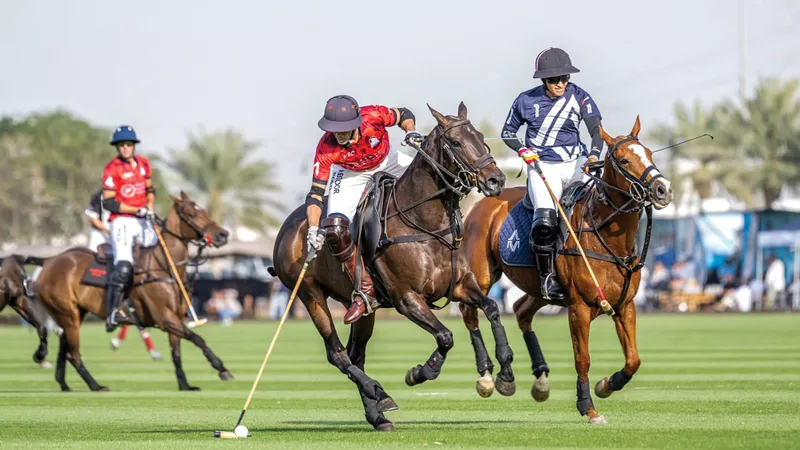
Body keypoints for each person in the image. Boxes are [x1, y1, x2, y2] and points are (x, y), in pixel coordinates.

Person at [304, 95, 421, 325]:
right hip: (349, 175)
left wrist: (410, 132)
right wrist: (312, 228)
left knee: (429, 177)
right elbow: (316, 194)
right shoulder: (327, 147)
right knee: (335, 230)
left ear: (356, 123)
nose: (338, 134)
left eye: (343, 129)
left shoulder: (374, 115)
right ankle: (366, 290)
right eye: (334, 129)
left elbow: (404, 114)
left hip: (388, 161)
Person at [501, 47, 605, 301]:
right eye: (553, 79)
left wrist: (593, 155)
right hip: (542, 165)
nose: (560, 83)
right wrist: (522, 149)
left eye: (564, 78)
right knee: (545, 221)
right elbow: (507, 133)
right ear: (543, 80)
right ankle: (547, 278)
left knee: (599, 207)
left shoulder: (580, 97)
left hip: (576, 163)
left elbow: (595, 129)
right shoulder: (525, 100)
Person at [101, 125, 158, 332]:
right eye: (121, 145)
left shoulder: (144, 164)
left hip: (143, 219)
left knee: (159, 259)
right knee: (124, 265)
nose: (125, 148)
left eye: (129, 144)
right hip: (122, 221)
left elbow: (150, 190)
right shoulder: (111, 168)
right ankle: (113, 312)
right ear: (117, 147)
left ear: (134, 146)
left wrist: (149, 207)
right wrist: (136, 209)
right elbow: (108, 203)